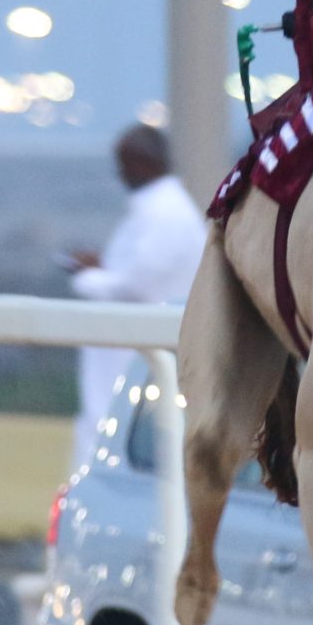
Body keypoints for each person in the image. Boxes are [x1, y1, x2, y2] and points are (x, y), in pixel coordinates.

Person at [65, 125, 206, 467]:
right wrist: (104, 268)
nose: (120, 174)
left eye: (124, 163)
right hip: (136, 355)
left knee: (113, 446)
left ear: (144, 163)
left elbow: (134, 287)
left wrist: (87, 277)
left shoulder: (164, 214)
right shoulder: (162, 210)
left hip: (136, 359)